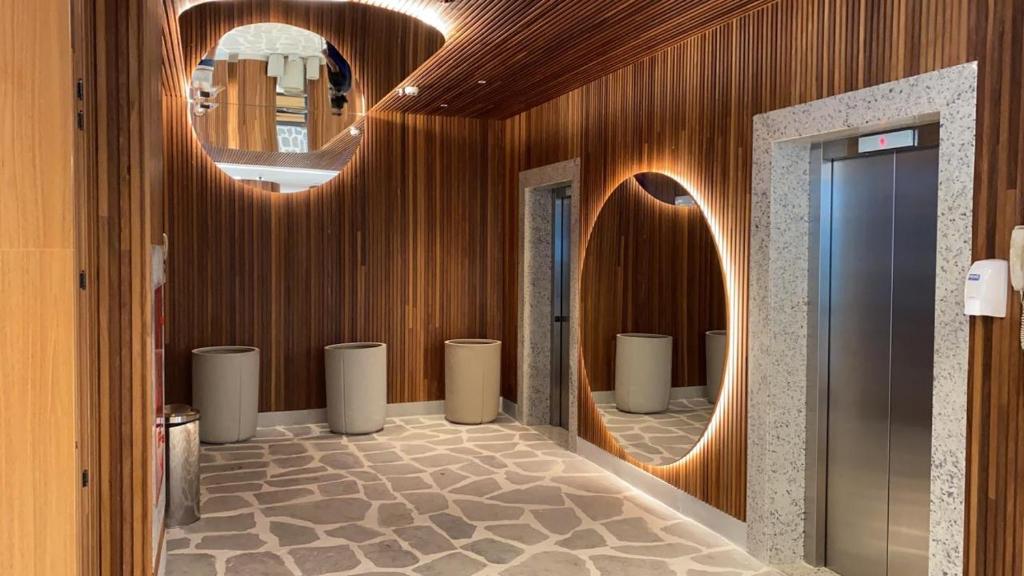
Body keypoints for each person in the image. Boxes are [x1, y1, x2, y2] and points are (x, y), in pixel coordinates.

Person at [322, 43, 352, 115]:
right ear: (333, 96)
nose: (329, 95)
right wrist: (325, 55)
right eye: (330, 97)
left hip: (344, 54)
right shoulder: (336, 85)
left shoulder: (347, 88)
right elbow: (335, 67)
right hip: (335, 54)